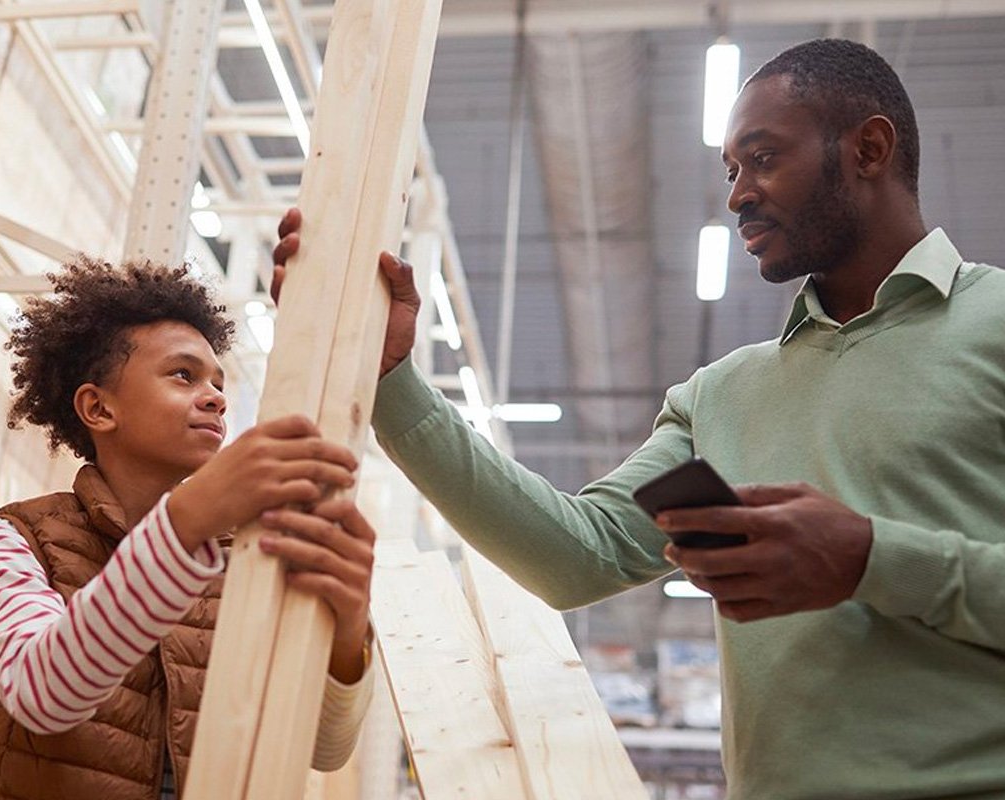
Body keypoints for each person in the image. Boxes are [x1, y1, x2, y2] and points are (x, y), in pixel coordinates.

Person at [275, 39, 1005, 799]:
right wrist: (392, 380)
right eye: (730, 170)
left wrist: (871, 559)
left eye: (762, 158)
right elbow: (574, 554)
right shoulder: (722, 395)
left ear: (870, 148)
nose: (737, 195)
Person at [0, 256, 376, 800]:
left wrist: (350, 626)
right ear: (98, 408)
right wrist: (186, 522)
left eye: (218, 382)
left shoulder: (243, 561)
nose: (216, 397)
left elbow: (323, 749)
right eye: (183, 375)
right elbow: (42, 694)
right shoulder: (17, 539)